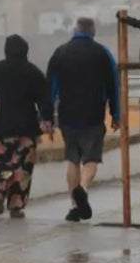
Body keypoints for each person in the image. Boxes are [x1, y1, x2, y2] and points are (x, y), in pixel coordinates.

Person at [45, 17, 121, 222]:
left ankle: (74, 206)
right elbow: (114, 84)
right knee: (91, 158)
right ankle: (83, 188)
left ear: (74, 31)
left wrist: (46, 117)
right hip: (93, 114)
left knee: (73, 159)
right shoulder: (103, 53)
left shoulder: (60, 52)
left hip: (68, 115)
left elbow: (50, 87)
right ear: (93, 33)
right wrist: (116, 113)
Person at [0, 34, 53, 219]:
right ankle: (15, 206)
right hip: (27, 129)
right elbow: (45, 100)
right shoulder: (34, 72)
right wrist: (47, 120)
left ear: (6, 50)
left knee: (4, 162)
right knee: (23, 168)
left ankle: (0, 191)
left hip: (3, 128)